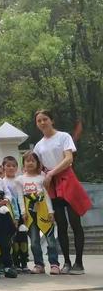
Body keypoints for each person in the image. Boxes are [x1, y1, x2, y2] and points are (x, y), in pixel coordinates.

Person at [33, 109, 92, 275]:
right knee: (61, 224)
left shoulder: (63, 136)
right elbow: (38, 167)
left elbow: (68, 159)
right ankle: (66, 261)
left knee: (75, 222)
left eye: (45, 119)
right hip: (52, 185)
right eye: (39, 121)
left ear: (52, 120)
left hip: (67, 180)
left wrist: (51, 172)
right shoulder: (39, 145)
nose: (43, 123)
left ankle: (79, 262)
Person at [16, 151, 60, 275]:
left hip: (43, 211)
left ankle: (54, 264)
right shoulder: (20, 179)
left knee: (50, 239)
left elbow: (46, 195)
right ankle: (39, 264)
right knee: (34, 241)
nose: (30, 163)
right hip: (29, 214)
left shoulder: (42, 177)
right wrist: (23, 212)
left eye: (32, 160)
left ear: (37, 163)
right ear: (23, 163)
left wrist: (51, 211)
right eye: (27, 160)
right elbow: (20, 197)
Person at [2, 156, 30, 274]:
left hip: (21, 212)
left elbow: (21, 197)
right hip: (9, 215)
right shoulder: (1, 182)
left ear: (17, 167)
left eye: (13, 165)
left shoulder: (19, 181)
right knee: (12, 239)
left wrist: (23, 212)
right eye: (8, 165)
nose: (11, 168)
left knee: (22, 238)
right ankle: (14, 263)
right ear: (3, 167)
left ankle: (24, 263)